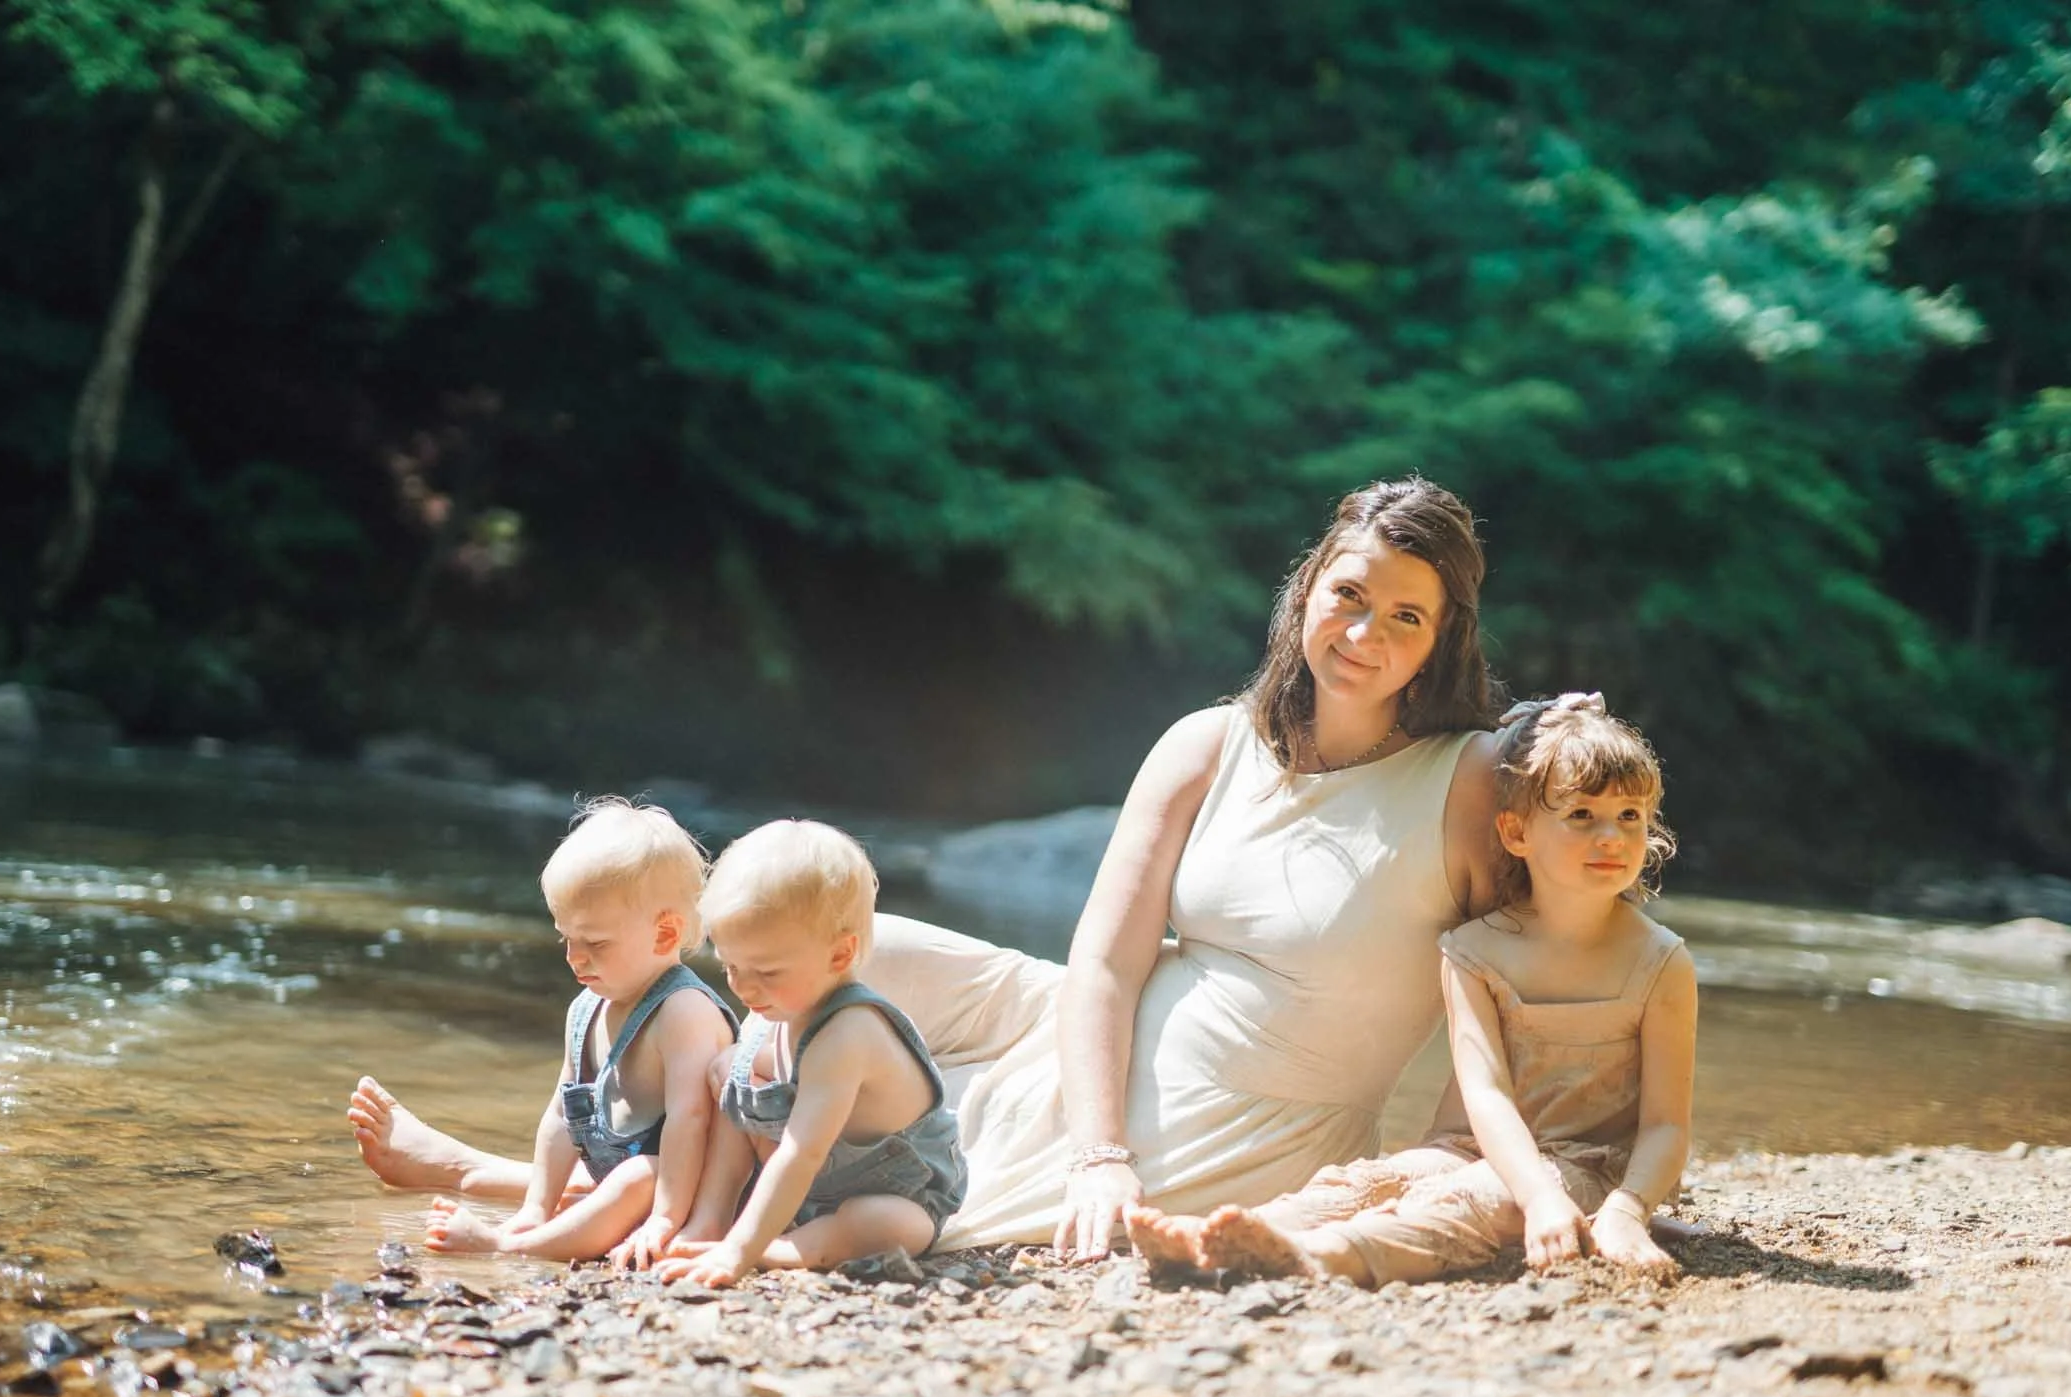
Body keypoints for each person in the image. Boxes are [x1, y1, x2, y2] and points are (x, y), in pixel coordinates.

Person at [354, 476, 1505, 1261]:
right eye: (1348, 595)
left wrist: (1462, 1144)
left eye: (1407, 616)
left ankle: (509, 1183)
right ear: (1308, 589)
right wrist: (1098, 1140)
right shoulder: (1207, 743)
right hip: (1079, 1028)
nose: (1365, 631)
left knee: (865, 1147)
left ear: (1442, 638)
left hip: (1238, 1111)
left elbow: (1526, 959)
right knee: (798, 956)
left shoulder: (1468, 785)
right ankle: (605, 1177)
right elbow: (1103, 963)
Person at [1126, 693, 1696, 1284]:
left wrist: (1626, 1210)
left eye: (1629, 816)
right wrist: (1535, 1192)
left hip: (1589, 1166)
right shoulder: (1475, 949)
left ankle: (1324, 1255)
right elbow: (1488, 1094)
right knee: (1368, 1181)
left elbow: (1665, 1126)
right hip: (1467, 1146)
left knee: (1467, 1200)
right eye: (1581, 815)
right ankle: (1231, 1231)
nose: (1611, 837)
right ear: (1516, 832)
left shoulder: (1659, 962)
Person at [417, 799, 739, 1264]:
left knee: (636, 1178)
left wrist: (667, 1220)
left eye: (595, 943)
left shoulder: (683, 1012)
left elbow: (691, 1121)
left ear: (665, 935)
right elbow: (561, 1117)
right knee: (611, 1182)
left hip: (684, 1189)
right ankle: (531, 1223)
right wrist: (536, 1205)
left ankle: (508, 1246)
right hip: (621, 1179)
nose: (574, 956)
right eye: (565, 937)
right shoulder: (586, 1008)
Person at [656, 821, 967, 1286]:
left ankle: (773, 1249)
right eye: (729, 965)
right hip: (814, 1184)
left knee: (885, 1226)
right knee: (730, 1073)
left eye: (766, 970)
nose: (742, 986)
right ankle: (713, 1219)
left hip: (896, 1192)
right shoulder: (779, 1004)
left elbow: (802, 1153)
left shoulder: (848, 1033)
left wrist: (739, 1255)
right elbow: (752, 1116)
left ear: (840, 957)